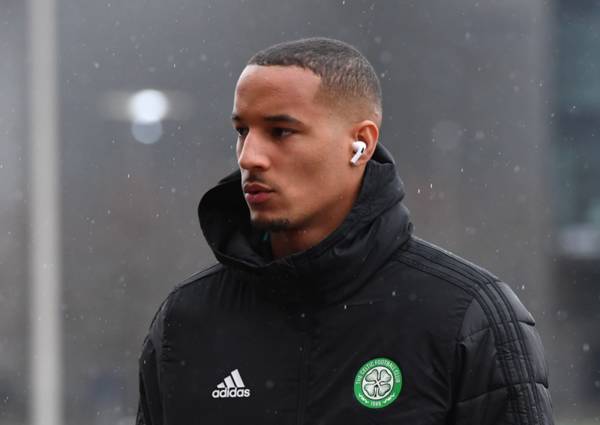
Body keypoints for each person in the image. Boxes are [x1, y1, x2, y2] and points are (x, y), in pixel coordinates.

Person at [136, 37, 554, 424]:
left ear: (361, 143)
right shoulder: (186, 321)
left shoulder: (468, 317)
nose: (250, 157)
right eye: (242, 131)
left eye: (281, 131)